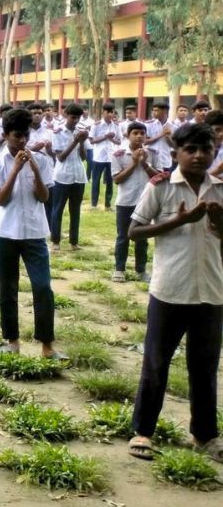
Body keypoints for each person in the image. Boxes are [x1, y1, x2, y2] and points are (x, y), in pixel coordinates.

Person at [126, 123, 223, 464]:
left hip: (211, 292)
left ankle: (205, 434)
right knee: (156, 363)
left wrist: (218, 223)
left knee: (205, 366)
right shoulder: (162, 187)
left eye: (205, 149)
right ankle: (143, 431)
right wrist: (180, 221)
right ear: (176, 153)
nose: (198, 156)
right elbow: (134, 231)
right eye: (190, 150)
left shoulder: (220, 190)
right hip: (169, 290)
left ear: (215, 151)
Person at [0, 109, 62, 359]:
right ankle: (12, 340)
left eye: (25, 135)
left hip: (34, 233)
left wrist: (35, 170)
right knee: (7, 288)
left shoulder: (41, 160)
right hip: (6, 232)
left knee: (43, 287)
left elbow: (44, 197)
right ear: (5, 135)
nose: (22, 141)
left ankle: (47, 345)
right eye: (17, 135)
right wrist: (15, 170)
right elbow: (0, 199)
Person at [110, 122, 156, 283]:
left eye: (142, 133)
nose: (139, 136)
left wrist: (144, 164)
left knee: (142, 238)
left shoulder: (151, 153)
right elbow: (117, 179)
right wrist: (134, 163)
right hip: (125, 201)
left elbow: (158, 177)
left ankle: (141, 270)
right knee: (123, 236)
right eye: (135, 133)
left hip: (145, 202)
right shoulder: (118, 154)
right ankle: (119, 269)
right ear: (128, 135)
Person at [49, 103, 90, 252]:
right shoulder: (58, 132)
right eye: (73, 117)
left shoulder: (81, 131)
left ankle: (74, 241)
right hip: (62, 176)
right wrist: (75, 141)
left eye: (78, 118)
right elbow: (60, 157)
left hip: (78, 175)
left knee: (76, 210)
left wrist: (82, 143)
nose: (75, 120)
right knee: (58, 209)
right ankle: (55, 241)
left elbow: (84, 157)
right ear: (66, 115)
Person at [89, 104, 119, 211]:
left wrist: (112, 139)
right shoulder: (96, 125)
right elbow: (91, 140)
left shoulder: (116, 126)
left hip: (111, 157)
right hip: (99, 157)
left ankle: (108, 204)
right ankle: (94, 204)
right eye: (108, 112)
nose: (110, 114)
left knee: (110, 182)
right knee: (96, 181)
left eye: (112, 112)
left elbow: (119, 141)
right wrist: (105, 137)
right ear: (103, 112)